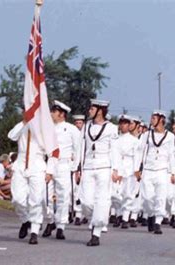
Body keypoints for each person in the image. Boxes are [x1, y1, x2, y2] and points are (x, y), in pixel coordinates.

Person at [77, 99, 119, 246]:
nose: (89, 110)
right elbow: (80, 148)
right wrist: (78, 168)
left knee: (102, 199)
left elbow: (114, 149)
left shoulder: (111, 128)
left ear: (100, 111)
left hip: (104, 166)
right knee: (86, 201)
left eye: (92, 108)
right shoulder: (87, 126)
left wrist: (115, 169)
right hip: (88, 166)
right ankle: (95, 219)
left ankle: (96, 233)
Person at [8, 117, 51, 245]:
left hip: (37, 163)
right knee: (17, 198)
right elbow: (12, 136)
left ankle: (34, 231)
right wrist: (24, 122)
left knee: (35, 200)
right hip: (21, 163)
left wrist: (50, 170)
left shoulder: (45, 127)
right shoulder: (22, 125)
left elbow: (52, 150)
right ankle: (25, 220)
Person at [134, 110, 175, 235]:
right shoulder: (146, 135)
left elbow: (171, 155)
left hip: (162, 170)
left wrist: (172, 172)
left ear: (161, 120)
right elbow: (139, 151)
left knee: (161, 197)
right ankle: (151, 215)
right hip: (148, 169)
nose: (151, 120)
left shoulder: (170, 136)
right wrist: (137, 168)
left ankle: (158, 222)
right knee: (147, 197)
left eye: (154, 118)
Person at [45, 100, 80, 240]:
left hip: (64, 164)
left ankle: (61, 226)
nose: (51, 114)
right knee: (46, 196)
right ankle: (50, 220)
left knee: (63, 197)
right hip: (49, 164)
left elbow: (78, 149)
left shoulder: (71, 129)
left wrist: (75, 167)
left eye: (54, 111)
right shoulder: (47, 128)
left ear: (61, 114)